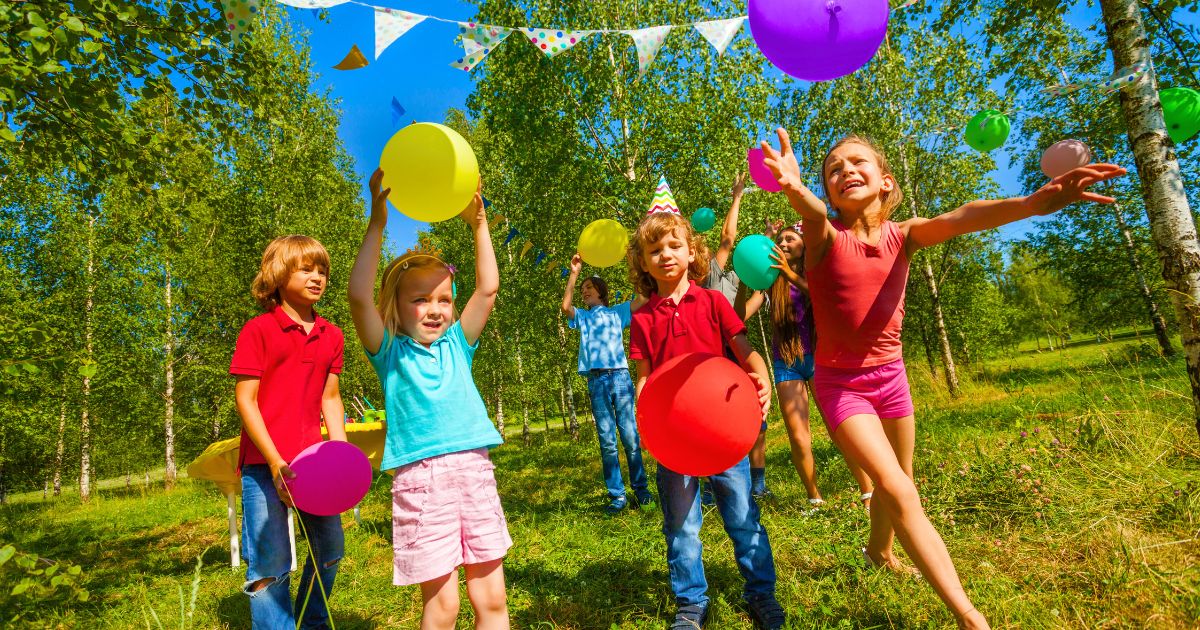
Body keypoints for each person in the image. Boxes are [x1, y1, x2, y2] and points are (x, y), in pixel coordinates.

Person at [761, 128, 1125, 629]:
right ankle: (971, 618)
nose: (845, 170)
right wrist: (795, 190)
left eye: (857, 162)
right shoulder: (825, 238)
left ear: (887, 181)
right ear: (825, 190)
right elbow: (813, 215)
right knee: (897, 488)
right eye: (833, 169)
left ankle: (879, 552)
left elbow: (961, 217)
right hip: (841, 386)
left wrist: (1033, 203)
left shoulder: (903, 235)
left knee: (901, 482)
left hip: (892, 377)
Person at [349, 170, 510, 629]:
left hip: (474, 472)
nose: (435, 309)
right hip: (421, 481)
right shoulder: (389, 354)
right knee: (443, 608)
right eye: (420, 300)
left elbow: (488, 288)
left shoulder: (459, 344)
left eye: (443, 298)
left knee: (492, 599)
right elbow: (358, 297)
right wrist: (376, 225)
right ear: (396, 307)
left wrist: (480, 226)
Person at [628, 208, 786, 630]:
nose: (665, 254)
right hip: (674, 441)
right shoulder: (642, 318)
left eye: (674, 245)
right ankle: (691, 604)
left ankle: (761, 594)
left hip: (721, 434)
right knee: (681, 526)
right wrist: (647, 423)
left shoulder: (713, 300)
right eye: (654, 249)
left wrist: (760, 372)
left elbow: (742, 345)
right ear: (643, 261)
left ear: (692, 251)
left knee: (741, 515)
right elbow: (644, 379)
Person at [231, 235, 347, 629]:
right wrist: (276, 460)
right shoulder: (258, 330)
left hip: (313, 464)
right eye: (306, 269)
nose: (317, 278)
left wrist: (342, 456)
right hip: (263, 466)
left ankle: (312, 622)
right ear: (278, 274)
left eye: (323, 271)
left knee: (330, 549)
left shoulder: (332, 335)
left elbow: (331, 398)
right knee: (270, 562)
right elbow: (246, 400)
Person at [737, 224, 875, 511]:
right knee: (798, 436)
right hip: (786, 364)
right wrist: (743, 278)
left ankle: (868, 492)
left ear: (804, 244)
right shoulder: (770, 282)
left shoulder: (814, 272)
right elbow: (739, 317)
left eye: (791, 238)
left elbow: (823, 297)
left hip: (820, 359)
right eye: (780, 239)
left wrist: (790, 273)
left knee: (840, 429)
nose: (784, 243)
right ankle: (815, 497)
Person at [561, 254, 652, 514]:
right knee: (607, 440)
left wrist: (637, 263)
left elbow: (644, 299)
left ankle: (641, 491)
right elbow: (565, 305)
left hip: (620, 377)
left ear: (600, 291)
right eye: (582, 289)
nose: (584, 292)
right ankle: (617, 496)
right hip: (596, 380)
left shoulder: (618, 312)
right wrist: (574, 274)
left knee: (630, 437)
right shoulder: (583, 317)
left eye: (589, 287)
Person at [701, 173, 773, 499]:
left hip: (736, 351)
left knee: (755, 417)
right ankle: (711, 479)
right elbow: (728, 238)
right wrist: (738, 196)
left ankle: (757, 483)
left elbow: (744, 313)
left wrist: (767, 249)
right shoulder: (712, 274)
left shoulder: (742, 281)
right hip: (710, 356)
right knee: (711, 420)